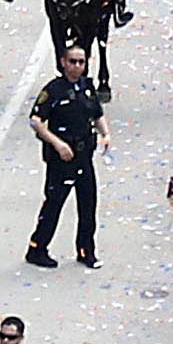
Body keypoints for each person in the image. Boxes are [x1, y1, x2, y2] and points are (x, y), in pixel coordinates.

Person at [26, 40, 107, 269]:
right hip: (62, 158)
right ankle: (37, 248)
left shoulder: (87, 87)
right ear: (63, 62)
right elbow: (36, 121)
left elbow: (97, 114)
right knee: (54, 204)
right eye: (72, 61)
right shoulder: (53, 90)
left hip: (84, 155)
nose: (77, 66)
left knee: (88, 204)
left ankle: (86, 250)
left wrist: (105, 134)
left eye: (81, 62)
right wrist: (57, 144)